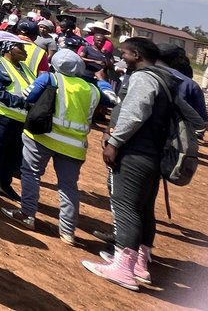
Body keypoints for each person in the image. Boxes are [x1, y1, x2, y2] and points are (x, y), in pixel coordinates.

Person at [84, 37, 205, 290]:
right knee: (144, 208)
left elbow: (134, 112)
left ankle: (123, 269)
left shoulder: (144, 78)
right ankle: (139, 264)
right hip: (154, 156)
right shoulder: (168, 80)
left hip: (134, 154)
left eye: (125, 54)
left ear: (137, 55)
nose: (122, 59)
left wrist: (114, 142)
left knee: (126, 206)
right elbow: (197, 120)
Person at [3, 49, 99, 243]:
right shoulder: (92, 88)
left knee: (31, 173)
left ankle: (27, 214)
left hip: (43, 136)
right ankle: (67, 232)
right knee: (68, 186)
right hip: (74, 146)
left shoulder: (50, 79)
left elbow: (27, 96)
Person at [0, 32, 36, 199]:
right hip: (1, 114)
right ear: (9, 49)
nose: (25, 51)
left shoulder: (24, 68)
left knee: (13, 154)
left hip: (20, 118)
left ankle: (4, 183)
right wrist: (22, 103)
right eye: (21, 48)